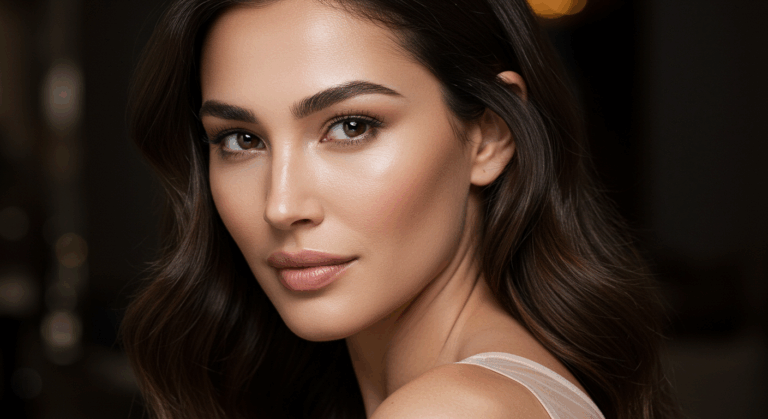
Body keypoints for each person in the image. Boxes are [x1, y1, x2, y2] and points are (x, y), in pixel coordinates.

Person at [121, 0, 679, 418]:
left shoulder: (455, 411)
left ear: (489, 135)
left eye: (350, 126)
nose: (282, 205)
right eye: (241, 139)